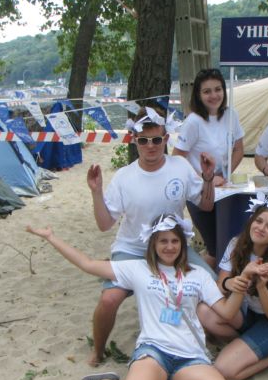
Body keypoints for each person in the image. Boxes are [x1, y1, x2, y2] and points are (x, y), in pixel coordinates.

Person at [26, 214, 244, 380]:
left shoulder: (198, 274)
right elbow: (88, 264)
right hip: (154, 351)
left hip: (191, 355)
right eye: (163, 241)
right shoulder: (139, 269)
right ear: (153, 244)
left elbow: (226, 312)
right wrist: (51, 237)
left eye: (175, 241)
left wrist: (242, 286)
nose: (169, 247)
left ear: (182, 243)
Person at [86, 106, 216, 366]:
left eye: (156, 139)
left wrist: (208, 178)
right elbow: (104, 224)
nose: (150, 146)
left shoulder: (180, 166)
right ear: (134, 140)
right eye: (143, 140)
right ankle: (98, 351)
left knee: (211, 285)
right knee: (109, 299)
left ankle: (207, 338)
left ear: (166, 138)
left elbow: (206, 205)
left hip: (172, 248)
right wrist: (96, 193)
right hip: (133, 248)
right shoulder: (124, 177)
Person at [197, 193, 268, 380]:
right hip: (251, 313)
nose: (261, 228)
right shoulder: (236, 244)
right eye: (259, 221)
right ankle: (247, 345)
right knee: (204, 312)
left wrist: (262, 288)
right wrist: (229, 283)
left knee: (223, 370)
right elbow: (220, 286)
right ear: (251, 221)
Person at [173, 68, 245, 269]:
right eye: (207, 91)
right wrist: (206, 178)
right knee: (216, 249)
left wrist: (225, 174)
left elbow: (239, 148)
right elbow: (177, 157)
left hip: (224, 190)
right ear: (198, 94)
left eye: (217, 89)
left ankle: (209, 281)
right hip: (199, 192)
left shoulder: (231, 115)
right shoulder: (193, 122)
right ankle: (195, 280)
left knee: (228, 245)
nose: (214, 95)